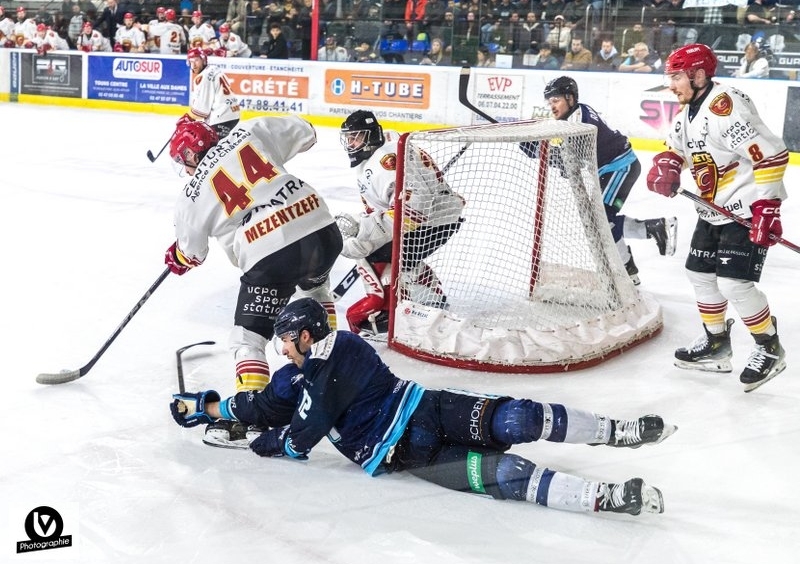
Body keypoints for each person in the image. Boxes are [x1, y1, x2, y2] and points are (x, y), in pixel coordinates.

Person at [170, 297, 676, 517]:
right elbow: (265, 404)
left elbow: (305, 431)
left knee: (518, 416)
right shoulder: (295, 374)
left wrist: (273, 442)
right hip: (406, 456)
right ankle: (604, 496)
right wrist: (213, 409)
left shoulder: (344, 349)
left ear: (303, 336)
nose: (279, 348)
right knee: (509, 475)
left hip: (426, 410)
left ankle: (618, 429)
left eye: (283, 340)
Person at [165, 118, 343, 445]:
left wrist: (176, 256)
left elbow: (191, 254)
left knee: (248, 338)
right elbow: (307, 133)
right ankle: (335, 369)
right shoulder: (250, 131)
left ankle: (255, 417)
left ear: (190, 156)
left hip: (270, 253)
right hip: (321, 228)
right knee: (315, 289)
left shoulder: (191, 195)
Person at [646, 43, 787, 392]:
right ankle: (717, 345)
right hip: (713, 210)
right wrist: (668, 163)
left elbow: (770, 155)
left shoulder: (725, 106)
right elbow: (676, 147)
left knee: (735, 284)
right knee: (699, 274)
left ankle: (770, 349)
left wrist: (767, 207)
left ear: (699, 74)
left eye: (677, 76)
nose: (672, 84)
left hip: (745, 209)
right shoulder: (687, 112)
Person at [335, 110, 464, 335]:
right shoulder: (384, 152)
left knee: (375, 254)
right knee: (395, 255)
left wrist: (370, 235)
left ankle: (385, 307)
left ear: (372, 135)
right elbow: (385, 207)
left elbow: (416, 207)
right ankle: (431, 298)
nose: (351, 143)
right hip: (437, 217)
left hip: (431, 222)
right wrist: (369, 227)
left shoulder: (384, 161)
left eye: (357, 137)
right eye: (349, 137)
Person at [542, 77, 678, 284]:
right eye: (549, 102)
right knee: (602, 220)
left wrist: (540, 151)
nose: (552, 107)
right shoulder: (575, 115)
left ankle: (628, 267)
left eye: (556, 101)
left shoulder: (579, 121)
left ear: (570, 98)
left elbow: (570, 161)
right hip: (611, 169)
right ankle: (652, 231)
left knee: (602, 219)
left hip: (620, 167)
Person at [186, 47, 241, 139]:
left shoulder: (203, 78)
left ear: (203, 60)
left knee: (209, 149)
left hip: (221, 119)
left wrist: (188, 117)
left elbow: (202, 111)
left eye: (196, 61)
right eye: (191, 62)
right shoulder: (214, 69)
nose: (193, 65)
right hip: (233, 115)